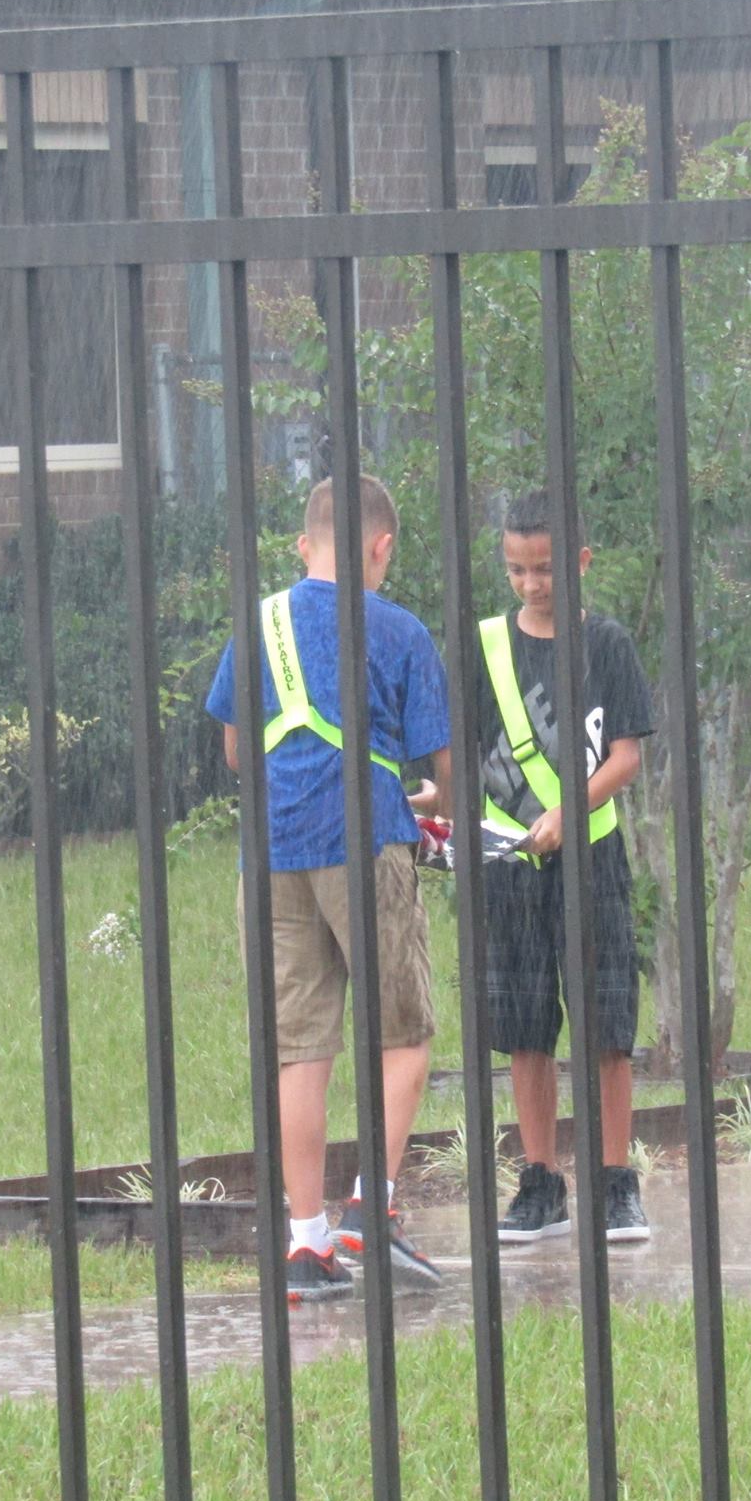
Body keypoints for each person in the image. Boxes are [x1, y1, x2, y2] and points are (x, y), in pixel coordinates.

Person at [205, 474, 453, 1304]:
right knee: (404, 1032)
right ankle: (369, 1214)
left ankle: (305, 1246)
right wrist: (426, 803)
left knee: (299, 1049)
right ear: (382, 547)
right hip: (365, 841)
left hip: (271, 854)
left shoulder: (258, 623)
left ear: (303, 545)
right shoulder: (401, 631)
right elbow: (444, 776)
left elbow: (239, 753)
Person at [475, 490, 656, 1245]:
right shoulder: (487, 648)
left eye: (545, 568)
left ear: (579, 563)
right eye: (517, 569)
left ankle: (618, 1184)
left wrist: (568, 814)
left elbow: (627, 756)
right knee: (524, 1024)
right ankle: (541, 1182)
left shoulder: (606, 645)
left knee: (606, 1020)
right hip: (511, 862)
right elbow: (464, 759)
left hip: (593, 852)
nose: (531, 584)